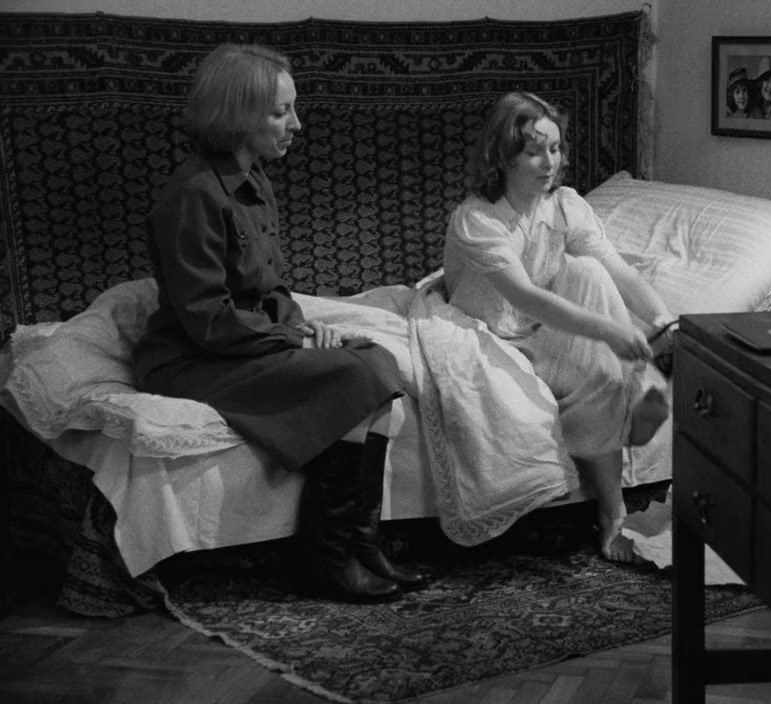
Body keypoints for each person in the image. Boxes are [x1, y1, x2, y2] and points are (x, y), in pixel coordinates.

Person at [132, 43, 426, 603]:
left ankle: (360, 545)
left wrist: (306, 327)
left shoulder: (256, 181)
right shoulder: (193, 195)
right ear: (238, 117)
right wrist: (293, 338)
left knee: (376, 358)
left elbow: (269, 288)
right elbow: (207, 319)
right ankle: (326, 557)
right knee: (352, 376)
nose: (296, 124)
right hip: (194, 358)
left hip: (239, 343)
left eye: (292, 108)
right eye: (279, 112)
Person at [442, 91, 676, 564]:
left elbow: (618, 270)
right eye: (533, 151)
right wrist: (608, 331)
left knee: (589, 272)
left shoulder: (565, 205)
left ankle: (612, 509)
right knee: (599, 349)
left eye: (554, 148)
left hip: (541, 326)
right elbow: (525, 297)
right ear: (503, 156)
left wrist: (664, 319)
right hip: (489, 331)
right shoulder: (478, 219)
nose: (549, 162)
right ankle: (634, 386)